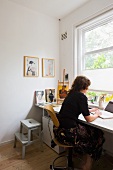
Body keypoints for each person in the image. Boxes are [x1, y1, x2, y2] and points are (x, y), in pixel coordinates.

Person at [54, 76, 105, 170]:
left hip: (61, 130)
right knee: (97, 134)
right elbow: (89, 119)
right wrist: (97, 114)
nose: (87, 89)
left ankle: (76, 154)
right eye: (87, 87)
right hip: (69, 132)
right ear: (84, 87)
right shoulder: (81, 97)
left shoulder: (71, 94)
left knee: (91, 131)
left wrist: (90, 110)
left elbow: (78, 108)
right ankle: (87, 165)